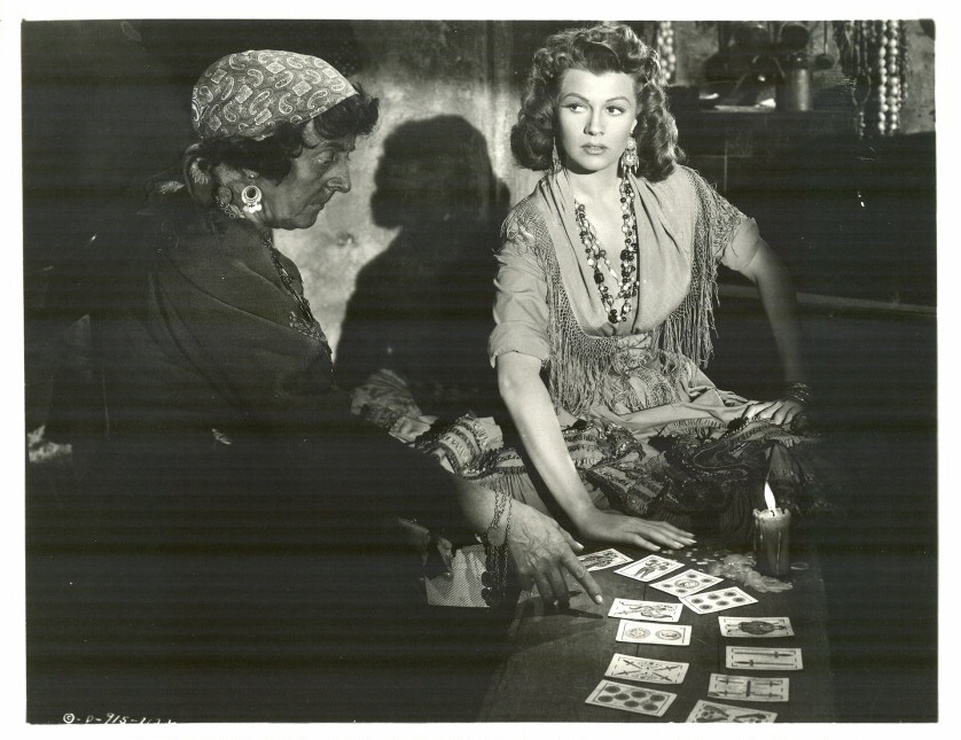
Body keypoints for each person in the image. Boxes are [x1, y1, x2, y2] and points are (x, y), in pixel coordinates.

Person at [31, 49, 601, 723]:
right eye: (327, 155)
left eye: (347, 155)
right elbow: (318, 434)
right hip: (203, 576)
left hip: (195, 537)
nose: (345, 178)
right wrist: (499, 517)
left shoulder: (202, 230)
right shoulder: (207, 255)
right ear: (250, 165)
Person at [429, 24, 827, 555]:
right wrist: (588, 515)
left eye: (614, 109)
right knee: (493, 503)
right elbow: (517, 375)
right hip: (581, 420)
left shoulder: (679, 191)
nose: (595, 127)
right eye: (577, 106)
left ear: (637, 119)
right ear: (551, 114)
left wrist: (799, 388)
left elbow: (767, 268)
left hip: (679, 404)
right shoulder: (530, 229)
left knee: (802, 462)